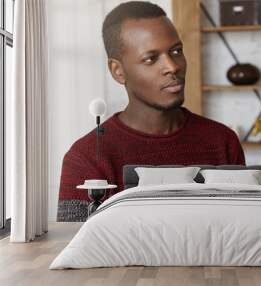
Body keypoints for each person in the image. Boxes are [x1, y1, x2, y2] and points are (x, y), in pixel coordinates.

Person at [57, 1, 245, 222]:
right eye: (151, 59)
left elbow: (242, 229)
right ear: (118, 72)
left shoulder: (223, 141)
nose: (172, 66)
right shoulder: (87, 157)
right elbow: (74, 247)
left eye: (176, 51)